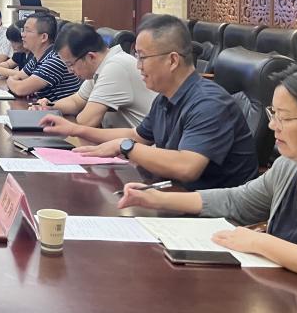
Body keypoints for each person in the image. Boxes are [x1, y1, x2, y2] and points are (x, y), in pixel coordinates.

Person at [118, 59, 297, 313]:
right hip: (287, 304)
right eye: (273, 113)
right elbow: (239, 200)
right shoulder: (289, 166)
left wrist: (260, 242)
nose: (272, 125)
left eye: (285, 118)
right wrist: (158, 199)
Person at [39, 13, 256, 189]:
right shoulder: (164, 97)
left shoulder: (208, 103)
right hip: (172, 192)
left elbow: (187, 167)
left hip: (212, 213)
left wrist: (126, 147)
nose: (138, 66)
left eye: (142, 57)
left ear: (172, 60)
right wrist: (77, 130)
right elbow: (137, 135)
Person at [34, 22, 156, 129]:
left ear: (90, 57)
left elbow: (86, 121)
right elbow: (76, 101)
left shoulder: (116, 67)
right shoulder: (102, 67)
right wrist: (49, 106)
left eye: (70, 64)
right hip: (122, 142)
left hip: (143, 145)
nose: (70, 71)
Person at [5, 12, 81, 101]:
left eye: (28, 31)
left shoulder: (55, 59)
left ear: (44, 37)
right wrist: (18, 83)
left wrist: (10, 81)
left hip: (60, 109)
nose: (22, 34)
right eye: (23, 30)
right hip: (45, 106)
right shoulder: (37, 57)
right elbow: (19, 76)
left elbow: (20, 89)